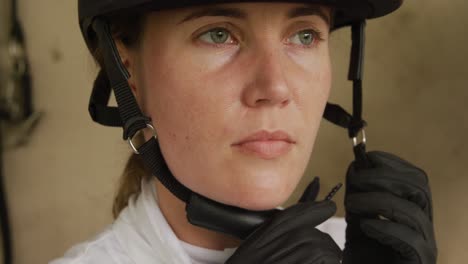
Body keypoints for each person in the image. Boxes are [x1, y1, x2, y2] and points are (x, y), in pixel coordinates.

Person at [51, 0, 437, 263]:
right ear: (126, 67)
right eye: (218, 34)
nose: (275, 87)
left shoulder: (350, 245)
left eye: (304, 36)